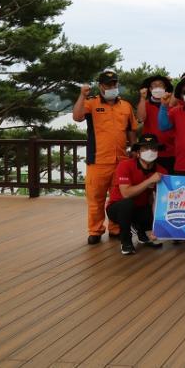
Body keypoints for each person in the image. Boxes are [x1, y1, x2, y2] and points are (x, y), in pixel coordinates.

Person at [72, 70, 137, 245]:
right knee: (96, 199)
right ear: (101, 86)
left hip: (121, 161)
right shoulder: (91, 103)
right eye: (108, 84)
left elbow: (131, 129)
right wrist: (82, 95)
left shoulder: (126, 106)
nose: (112, 87)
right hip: (98, 161)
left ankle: (115, 228)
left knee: (118, 198)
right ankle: (95, 230)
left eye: (114, 83)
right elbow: (77, 116)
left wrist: (134, 148)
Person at [106, 134, 167, 255]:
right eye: (145, 148)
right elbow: (126, 193)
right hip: (117, 208)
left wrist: (156, 227)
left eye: (153, 148)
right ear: (138, 152)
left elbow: (161, 200)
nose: (150, 151)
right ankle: (126, 241)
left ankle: (142, 232)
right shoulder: (125, 165)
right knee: (127, 204)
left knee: (151, 214)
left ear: (157, 152)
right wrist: (149, 181)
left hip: (141, 208)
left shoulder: (162, 171)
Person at [136, 74, 176, 173]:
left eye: (160, 84)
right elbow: (140, 118)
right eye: (154, 85)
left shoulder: (172, 104)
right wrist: (142, 98)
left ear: (165, 88)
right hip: (150, 152)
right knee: (151, 180)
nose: (157, 87)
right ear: (150, 89)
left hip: (171, 152)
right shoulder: (145, 104)